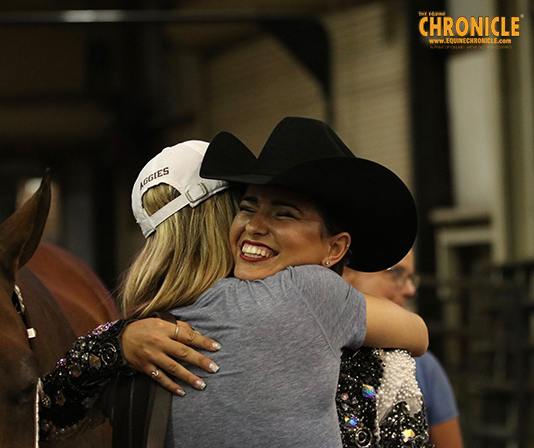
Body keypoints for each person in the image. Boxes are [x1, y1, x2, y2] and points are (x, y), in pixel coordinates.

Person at [40, 119, 430, 447]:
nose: (256, 226)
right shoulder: (340, 320)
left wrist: (116, 342)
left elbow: (45, 410)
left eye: (284, 214)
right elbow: (419, 333)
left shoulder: (154, 333)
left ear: (335, 248)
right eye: (246, 207)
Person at [343, 250, 464, 447]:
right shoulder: (314, 361)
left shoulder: (424, 366)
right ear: (345, 272)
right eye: (396, 273)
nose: (410, 290)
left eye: (411, 278)